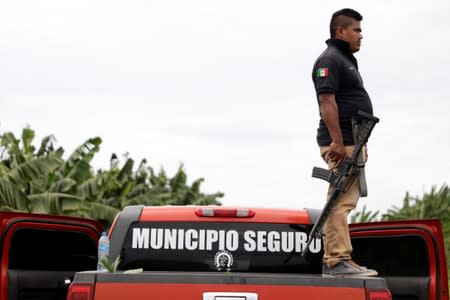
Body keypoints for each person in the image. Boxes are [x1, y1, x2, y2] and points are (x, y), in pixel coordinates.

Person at [311, 8, 378, 277]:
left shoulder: (344, 59)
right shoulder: (329, 60)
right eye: (357, 30)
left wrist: (359, 143)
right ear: (341, 31)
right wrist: (339, 142)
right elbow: (326, 101)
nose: (361, 35)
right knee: (340, 201)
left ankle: (340, 259)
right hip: (341, 142)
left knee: (344, 199)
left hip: (352, 140)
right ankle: (336, 260)